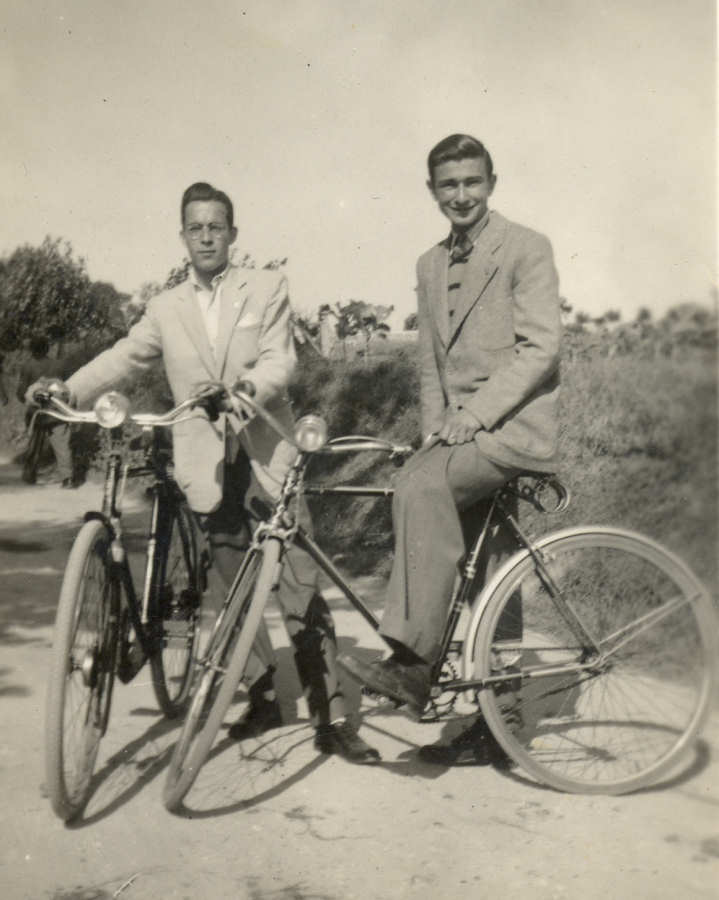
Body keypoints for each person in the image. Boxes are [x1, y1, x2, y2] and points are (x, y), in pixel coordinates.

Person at [26, 181, 379, 764]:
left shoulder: (265, 286)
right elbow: (124, 355)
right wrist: (68, 387)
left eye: (217, 227)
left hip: (266, 451)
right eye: (196, 228)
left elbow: (280, 360)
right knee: (229, 581)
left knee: (297, 578)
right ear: (183, 236)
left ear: (232, 234)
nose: (207, 237)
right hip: (206, 460)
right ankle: (263, 692)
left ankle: (332, 714)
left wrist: (244, 389)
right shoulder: (166, 307)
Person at [340, 134, 561, 764]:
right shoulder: (428, 265)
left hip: (512, 429)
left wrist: (474, 417)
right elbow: (431, 365)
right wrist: (435, 432)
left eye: (472, 182)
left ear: (492, 182)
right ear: (432, 190)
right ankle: (500, 720)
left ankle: (415, 661)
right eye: (448, 185)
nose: (461, 195)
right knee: (490, 567)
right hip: (463, 432)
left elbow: (541, 348)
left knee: (419, 486)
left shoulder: (526, 247)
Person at [17, 336, 77, 487]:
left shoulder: (28, 366)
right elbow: (68, 387)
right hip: (58, 409)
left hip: (37, 411)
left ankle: (30, 474)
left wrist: (28, 401)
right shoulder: (59, 365)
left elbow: (21, 392)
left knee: (34, 442)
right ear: (47, 348)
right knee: (62, 444)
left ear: (31, 350)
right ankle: (67, 478)